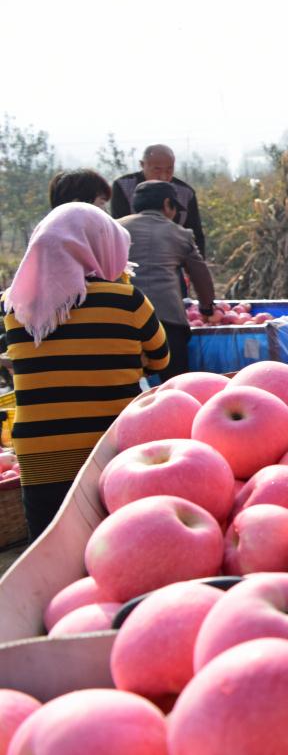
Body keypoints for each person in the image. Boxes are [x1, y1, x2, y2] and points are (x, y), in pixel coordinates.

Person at [2, 204, 169, 540]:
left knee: (52, 551)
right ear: (103, 245)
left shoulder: (16, 307)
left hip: (40, 458)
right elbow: (161, 360)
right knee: (115, 546)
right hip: (106, 451)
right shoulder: (127, 300)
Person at [118, 180, 216, 380]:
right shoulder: (179, 233)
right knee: (175, 383)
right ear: (166, 204)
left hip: (121, 317)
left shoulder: (115, 228)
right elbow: (200, 275)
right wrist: (207, 309)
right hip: (166, 320)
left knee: (126, 381)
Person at [109, 145, 206, 256]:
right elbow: (118, 229)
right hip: (133, 256)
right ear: (142, 165)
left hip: (172, 258)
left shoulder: (186, 193)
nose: (164, 177)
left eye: (169, 169)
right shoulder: (123, 187)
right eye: (157, 169)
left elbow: (196, 235)